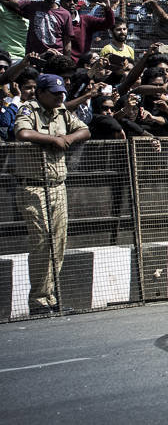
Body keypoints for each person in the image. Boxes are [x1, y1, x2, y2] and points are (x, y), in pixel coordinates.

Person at [14, 73, 91, 315]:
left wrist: (67, 138)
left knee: (58, 242)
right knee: (42, 242)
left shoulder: (63, 112)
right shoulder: (30, 109)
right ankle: (39, 299)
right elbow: (23, 133)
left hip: (58, 184)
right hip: (34, 185)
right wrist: (51, 140)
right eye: (55, 93)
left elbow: (85, 130)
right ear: (41, 92)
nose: (60, 97)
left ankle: (51, 296)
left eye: (62, 93)